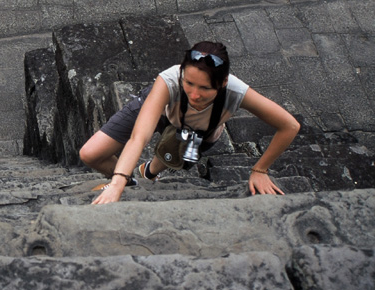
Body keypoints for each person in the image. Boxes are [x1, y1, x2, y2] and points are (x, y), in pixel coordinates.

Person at [80, 41, 300, 205]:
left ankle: (147, 174)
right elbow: (140, 137)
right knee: (90, 153)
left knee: (163, 160)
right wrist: (118, 183)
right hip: (162, 109)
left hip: (198, 131)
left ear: (223, 83)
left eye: (205, 88)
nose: (194, 95)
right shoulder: (169, 80)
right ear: (181, 74)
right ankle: (130, 182)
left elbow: (289, 126)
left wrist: (260, 169)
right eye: (189, 83)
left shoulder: (236, 92)